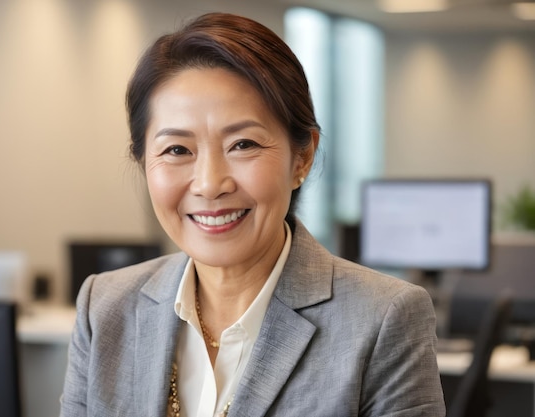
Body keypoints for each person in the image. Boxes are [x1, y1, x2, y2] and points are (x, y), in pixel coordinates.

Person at [60, 12, 445, 417]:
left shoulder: (383, 319)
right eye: (177, 150)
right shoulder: (104, 308)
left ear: (303, 157)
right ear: (143, 161)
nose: (210, 184)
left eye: (243, 144)